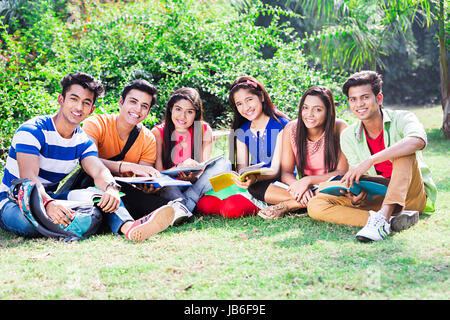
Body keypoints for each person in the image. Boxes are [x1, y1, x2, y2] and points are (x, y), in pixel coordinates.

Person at [0, 72, 174, 242]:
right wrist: (47, 204)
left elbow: (98, 171)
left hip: (53, 197)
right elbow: (29, 179)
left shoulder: (82, 141)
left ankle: (129, 228)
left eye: (85, 103)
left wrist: (111, 189)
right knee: (28, 223)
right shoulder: (33, 130)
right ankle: (72, 225)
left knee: (99, 200)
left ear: (91, 109)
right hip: (14, 200)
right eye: (73, 99)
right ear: (62, 100)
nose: (78, 107)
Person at [307, 70, 437, 242]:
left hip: (411, 194)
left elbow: (418, 140)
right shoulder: (349, 136)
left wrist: (371, 159)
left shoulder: (403, 118)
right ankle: (390, 221)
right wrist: (355, 195)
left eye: (365, 97)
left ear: (379, 99)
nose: (359, 104)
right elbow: (360, 176)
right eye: (353, 99)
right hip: (378, 196)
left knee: (404, 152)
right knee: (316, 204)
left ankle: (382, 219)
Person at [82, 79, 190, 226]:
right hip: (92, 184)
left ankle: (162, 212)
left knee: (145, 198)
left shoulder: (147, 138)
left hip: (123, 190)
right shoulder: (96, 123)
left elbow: (141, 179)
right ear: (121, 102)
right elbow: (88, 160)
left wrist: (147, 186)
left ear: (148, 111)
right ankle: (131, 222)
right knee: (95, 180)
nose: (138, 110)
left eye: (144, 106)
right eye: (133, 102)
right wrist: (131, 167)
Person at [196, 76, 289, 218]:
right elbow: (242, 168)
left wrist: (256, 178)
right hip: (253, 183)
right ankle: (237, 200)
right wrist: (242, 178)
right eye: (239, 104)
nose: (245, 108)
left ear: (262, 97)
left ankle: (272, 204)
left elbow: (276, 170)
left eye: (249, 100)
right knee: (204, 203)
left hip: (275, 184)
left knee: (230, 208)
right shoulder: (242, 131)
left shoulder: (282, 125)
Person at [257, 85, 349, 219]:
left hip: (329, 186)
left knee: (343, 187)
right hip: (303, 188)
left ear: (328, 111)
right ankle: (307, 200)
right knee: (257, 186)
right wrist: (298, 186)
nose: (309, 114)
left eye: (317, 109)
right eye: (305, 108)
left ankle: (289, 205)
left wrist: (308, 180)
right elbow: (286, 173)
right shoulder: (291, 129)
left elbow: (341, 173)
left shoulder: (340, 127)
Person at [151, 87, 231, 213]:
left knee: (224, 164)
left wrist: (193, 177)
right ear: (171, 108)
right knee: (168, 188)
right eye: (178, 109)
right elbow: (158, 174)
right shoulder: (158, 132)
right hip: (170, 185)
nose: (182, 116)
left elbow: (203, 168)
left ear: (196, 113)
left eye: (189, 112)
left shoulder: (204, 130)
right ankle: (186, 205)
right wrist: (179, 167)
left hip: (195, 186)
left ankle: (185, 205)